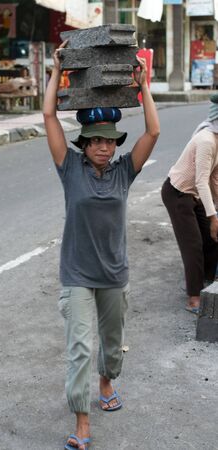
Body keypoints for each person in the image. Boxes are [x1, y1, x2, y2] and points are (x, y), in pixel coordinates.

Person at [43, 40, 160, 450]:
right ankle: (82, 422)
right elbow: (48, 116)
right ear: (84, 143)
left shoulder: (124, 172)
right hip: (76, 272)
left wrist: (142, 86)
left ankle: (107, 380)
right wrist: (57, 70)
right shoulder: (69, 169)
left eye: (109, 141)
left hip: (113, 272)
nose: (104, 147)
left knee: (111, 343)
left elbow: (154, 131)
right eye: (95, 140)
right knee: (78, 347)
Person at [161, 95, 218, 315]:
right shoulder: (206, 140)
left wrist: (215, 211)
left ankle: (205, 281)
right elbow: (200, 181)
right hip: (177, 193)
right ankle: (193, 298)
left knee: (212, 239)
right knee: (193, 245)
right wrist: (213, 218)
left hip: (195, 194)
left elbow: (214, 178)